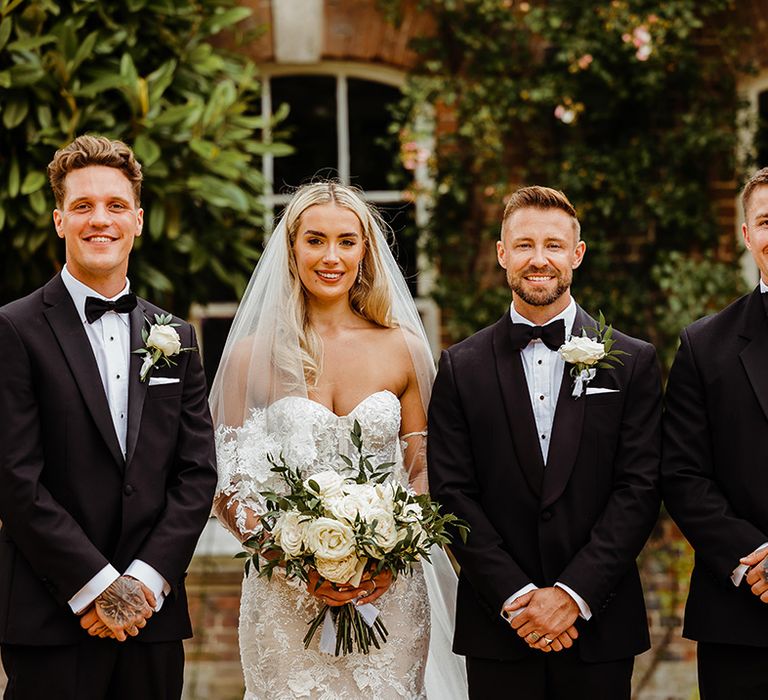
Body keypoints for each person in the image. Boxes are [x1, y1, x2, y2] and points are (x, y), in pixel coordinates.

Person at [210, 181, 467, 699]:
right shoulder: (250, 356)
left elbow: (423, 468)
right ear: (292, 249)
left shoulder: (403, 349)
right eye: (315, 240)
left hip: (388, 595)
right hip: (285, 599)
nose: (332, 257)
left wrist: (389, 556)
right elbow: (226, 484)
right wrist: (293, 559)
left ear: (365, 252)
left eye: (347, 241)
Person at [0, 135, 217, 700]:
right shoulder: (14, 329)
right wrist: (98, 588)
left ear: (139, 220)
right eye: (82, 206)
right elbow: (15, 479)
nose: (101, 220)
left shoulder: (177, 337)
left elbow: (197, 474)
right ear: (58, 220)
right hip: (52, 616)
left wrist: (142, 584)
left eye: (116, 206)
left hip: (153, 622)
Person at [427, 185, 662, 699]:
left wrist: (572, 594)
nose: (539, 259)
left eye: (554, 245)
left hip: (599, 623)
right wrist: (517, 597)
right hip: (499, 626)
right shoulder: (460, 367)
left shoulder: (634, 360)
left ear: (576, 254)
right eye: (525, 244)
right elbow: (451, 494)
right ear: (502, 253)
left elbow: (639, 488)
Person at [662, 167, 768, 698]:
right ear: (747, 234)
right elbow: (682, 474)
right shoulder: (705, 345)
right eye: (766, 220)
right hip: (741, 617)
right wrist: (755, 561)